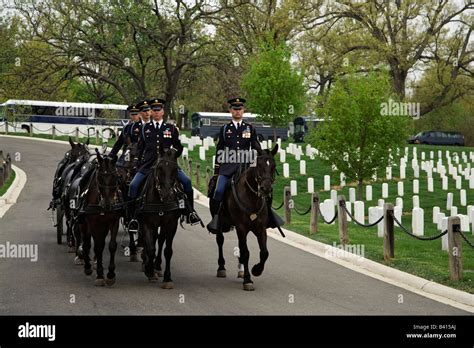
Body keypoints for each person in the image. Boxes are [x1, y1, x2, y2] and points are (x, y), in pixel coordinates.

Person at [207, 97, 283, 234]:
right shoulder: (225, 129)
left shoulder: (249, 128)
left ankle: (269, 217)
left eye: (240, 109)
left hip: (246, 167)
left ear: (243, 110)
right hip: (228, 167)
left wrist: (262, 153)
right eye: (235, 109)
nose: (237, 111)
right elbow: (220, 150)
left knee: (266, 190)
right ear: (230, 110)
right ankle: (217, 219)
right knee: (218, 191)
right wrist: (217, 171)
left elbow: (255, 144)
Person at [127, 98, 200, 231]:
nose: (155, 112)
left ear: (163, 111)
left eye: (158, 110)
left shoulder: (171, 128)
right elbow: (140, 148)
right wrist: (137, 162)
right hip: (148, 166)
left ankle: (190, 213)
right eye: (153, 110)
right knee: (133, 186)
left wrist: (173, 153)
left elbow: (178, 146)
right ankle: (133, 219)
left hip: (167, 167)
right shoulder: (145, 129)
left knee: (187, 182)